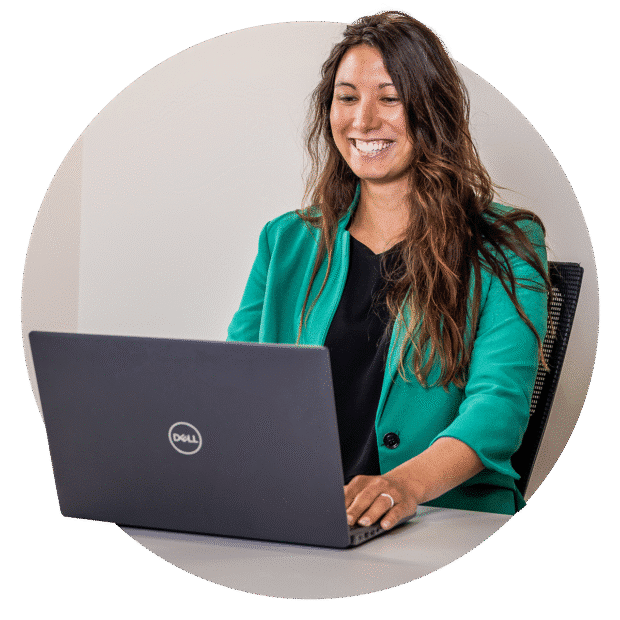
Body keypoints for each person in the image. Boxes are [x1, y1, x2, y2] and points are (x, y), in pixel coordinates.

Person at [227, 9, 550, 529]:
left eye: (390, 98)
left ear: (432, 109)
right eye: (347, 97)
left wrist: (403, 486)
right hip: (307, 519)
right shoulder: (285, 240)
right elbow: (235, 387)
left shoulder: (505, 243)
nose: (362, 121)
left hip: (442, 522)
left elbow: (498, 408)